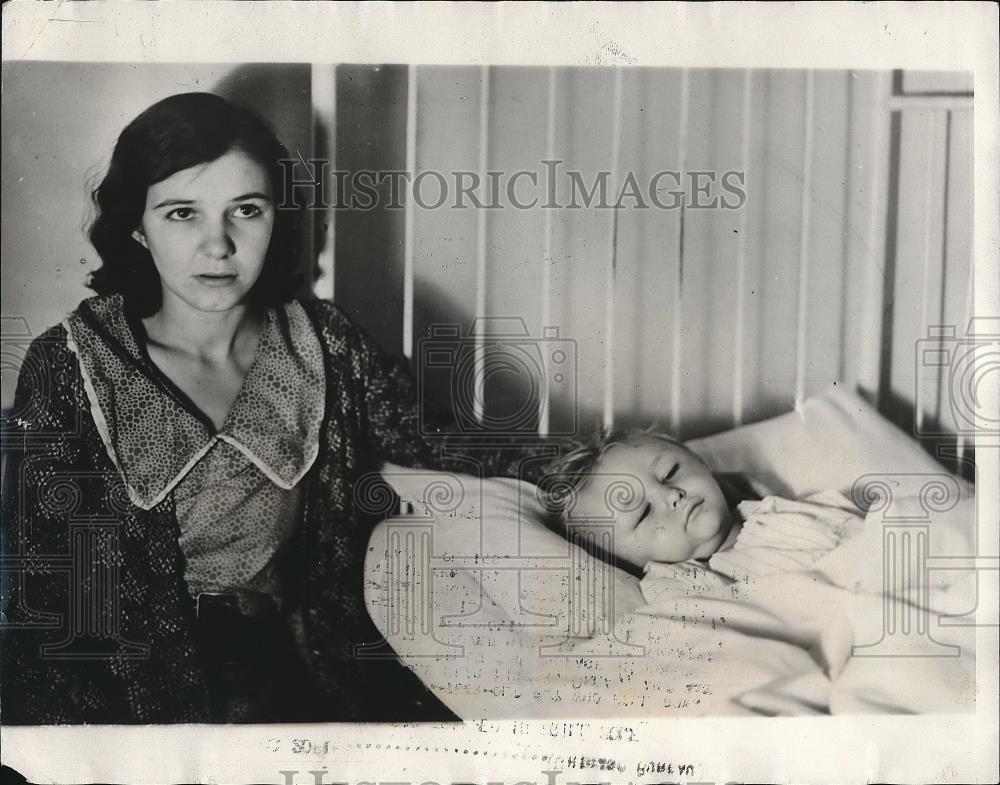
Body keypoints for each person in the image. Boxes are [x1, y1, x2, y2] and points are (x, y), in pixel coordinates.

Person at [0, 92, 557, 724]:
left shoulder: (321, 342)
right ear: (137, 225)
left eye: (246, 210)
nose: (219, 245)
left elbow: (439, 444)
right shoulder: (71, 363)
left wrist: (610, 465)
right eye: (183, 213)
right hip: (129, 702)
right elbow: (50, 598)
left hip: (299, 673)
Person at [540, 428, 867, 604]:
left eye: (670, 472)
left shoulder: (789, 508)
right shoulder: (678, 588)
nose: (672, 495)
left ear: (699, 461)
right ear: (619, 559)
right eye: (642, 514)